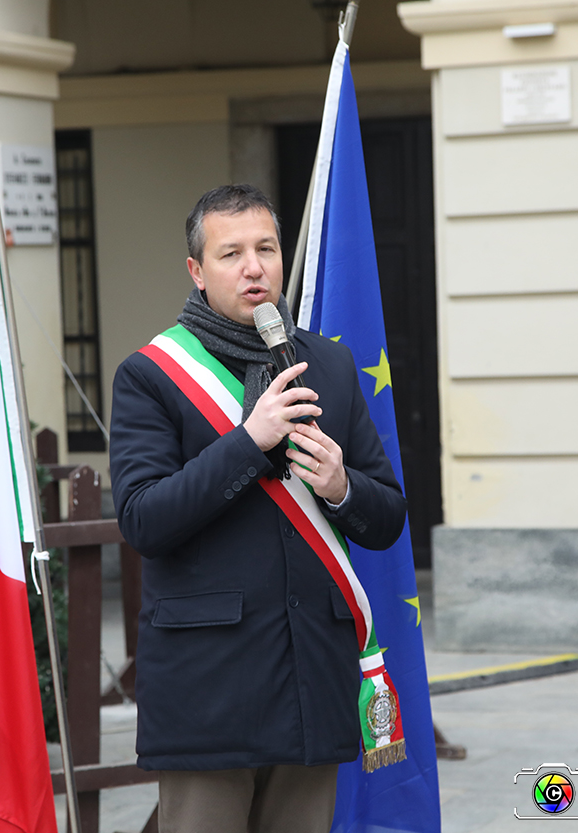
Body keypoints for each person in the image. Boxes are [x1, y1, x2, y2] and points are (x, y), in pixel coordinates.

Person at [108, 184, 407, 833]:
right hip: (210, 689)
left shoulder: (327, 362)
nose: (254, 267)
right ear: (197, 270)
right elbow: (144, 519)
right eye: (232, 252)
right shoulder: (151, 374)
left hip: (314, 681)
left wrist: (339, 485)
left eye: (266, 248)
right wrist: (249, 440)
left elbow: (386, 517)